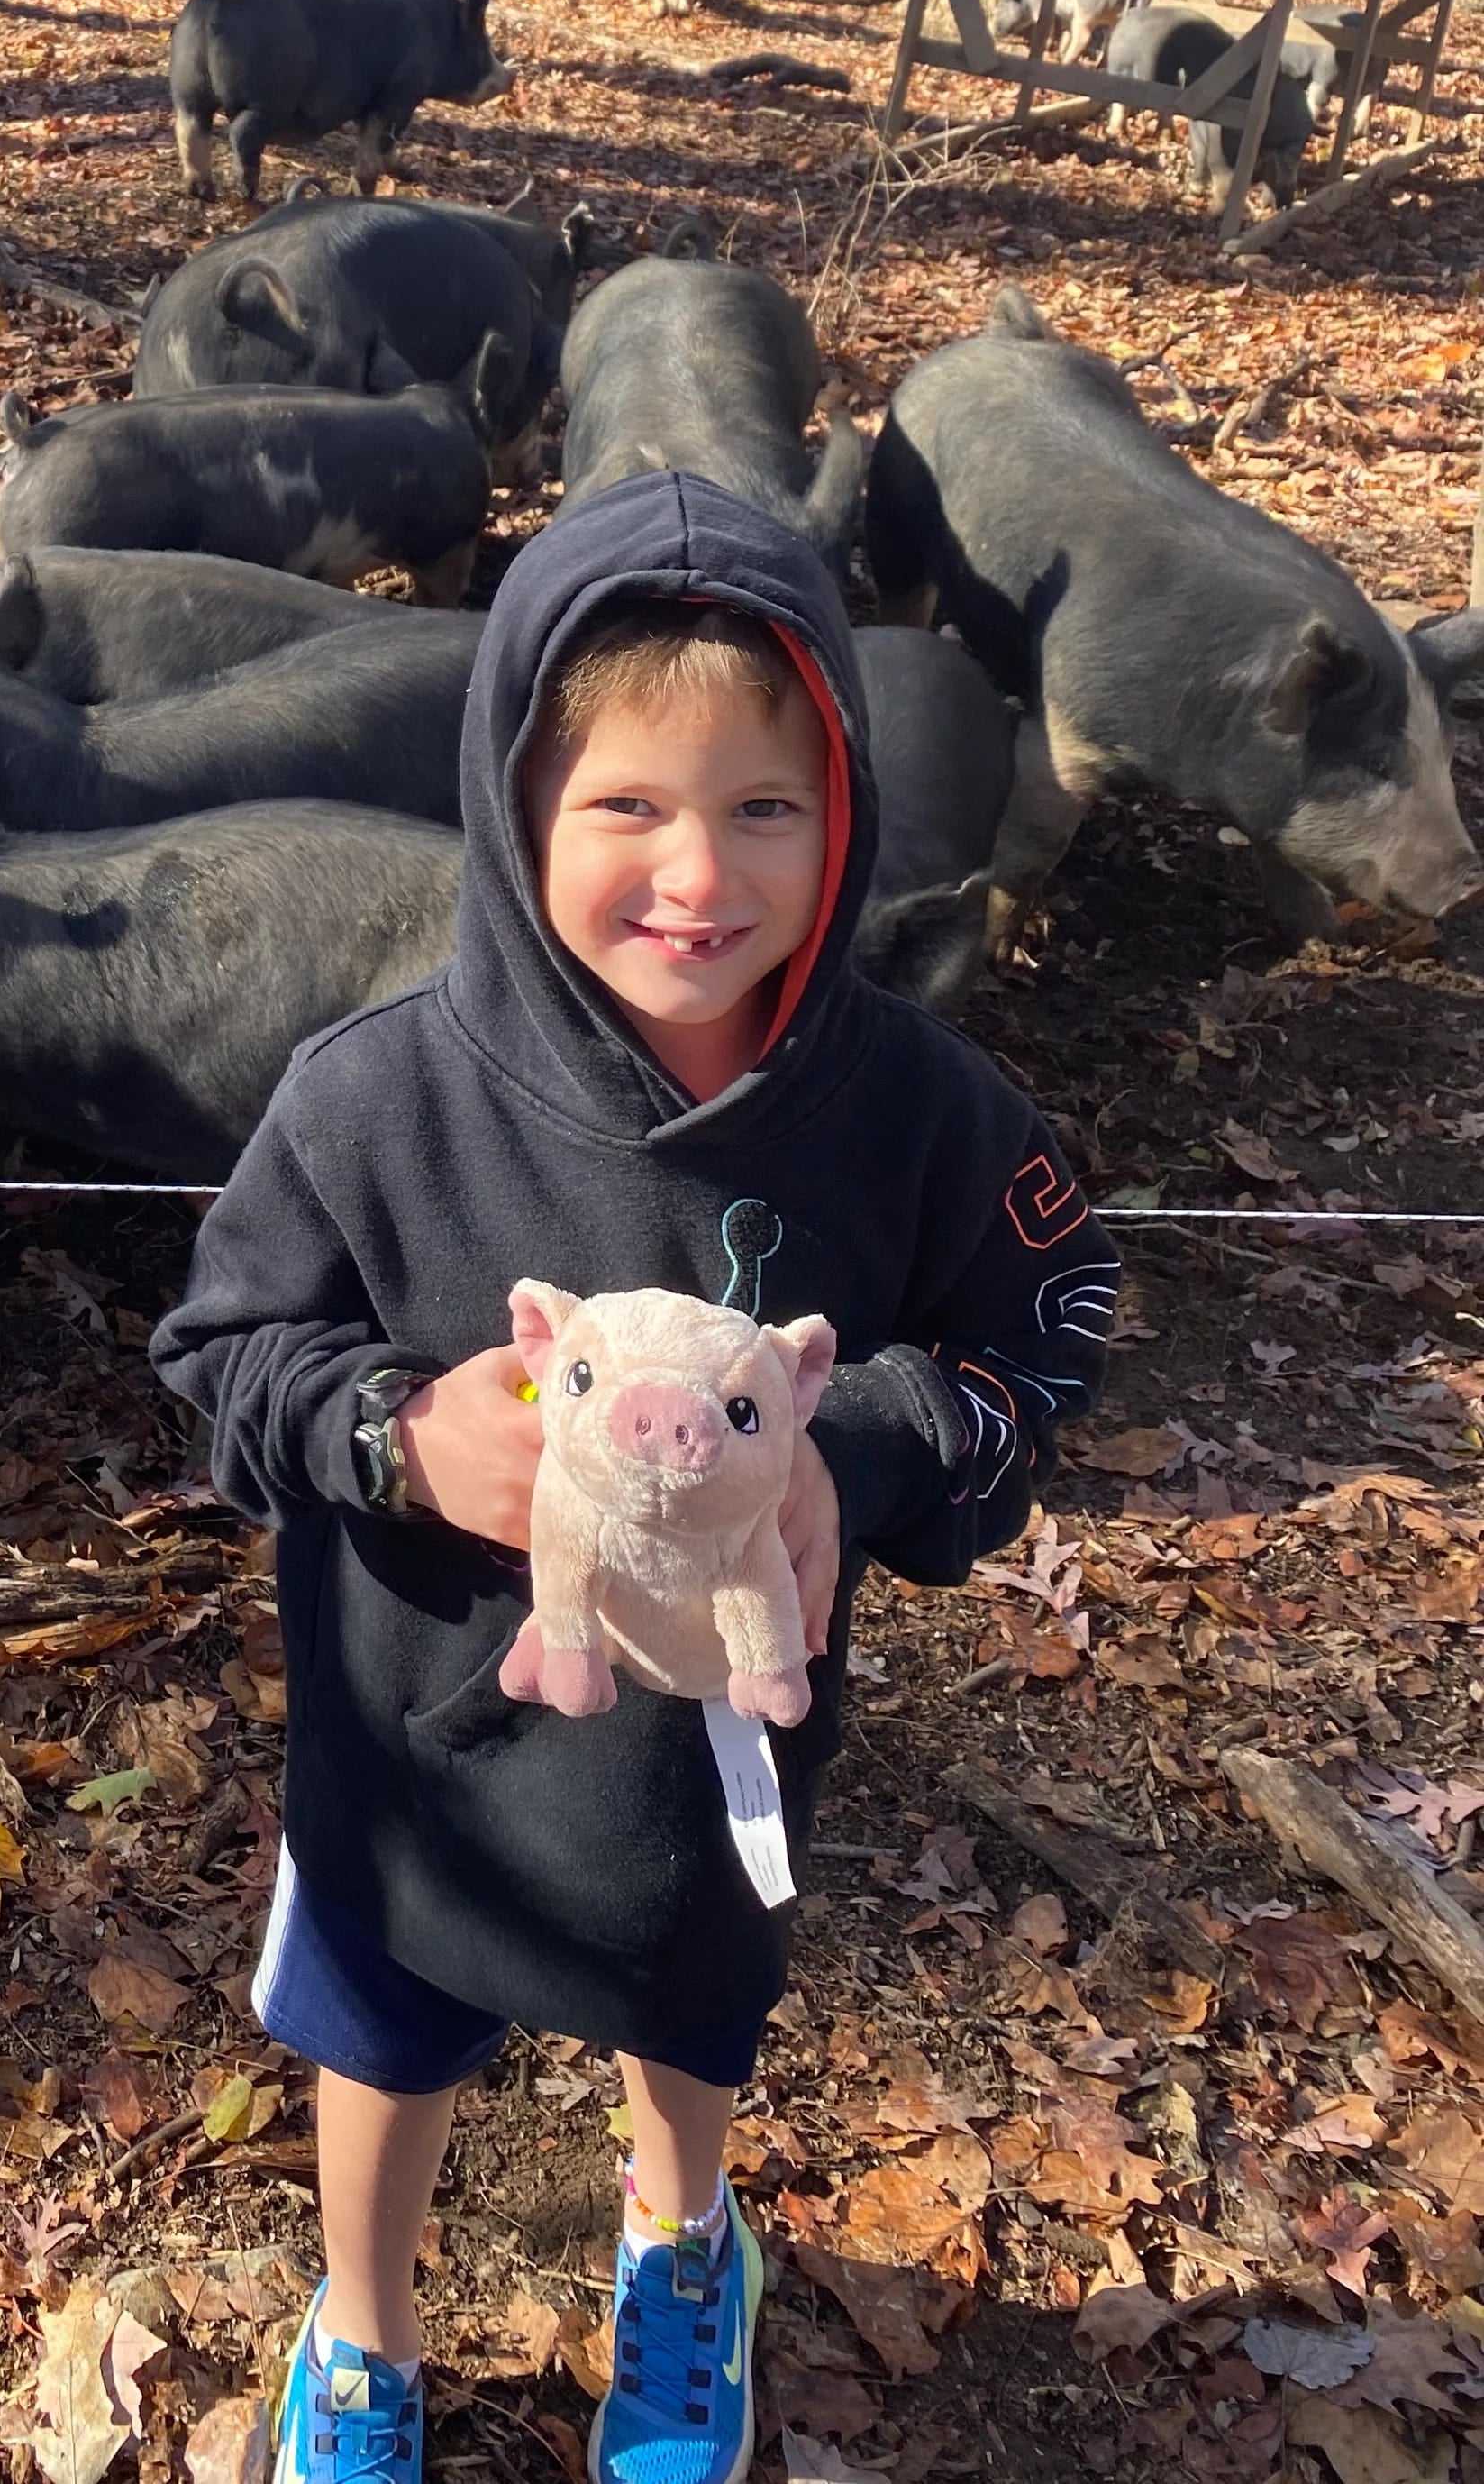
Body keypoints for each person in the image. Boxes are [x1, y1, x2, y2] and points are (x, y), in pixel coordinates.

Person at [150, 476, 1118, 2484]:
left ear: (845, 812)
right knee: (386, 2033)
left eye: (765, 808)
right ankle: (366, 2321)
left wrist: (865, 1440)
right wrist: (398, 1433)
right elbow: (220, 1360)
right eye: (628, 810)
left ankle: (684, 2257)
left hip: (705, 1755)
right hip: (418, 1740)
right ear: (518, 812)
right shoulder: (376, 1099)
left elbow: (1063, 1315)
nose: (699, 874)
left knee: (691, 2007)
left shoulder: (915, 1112)